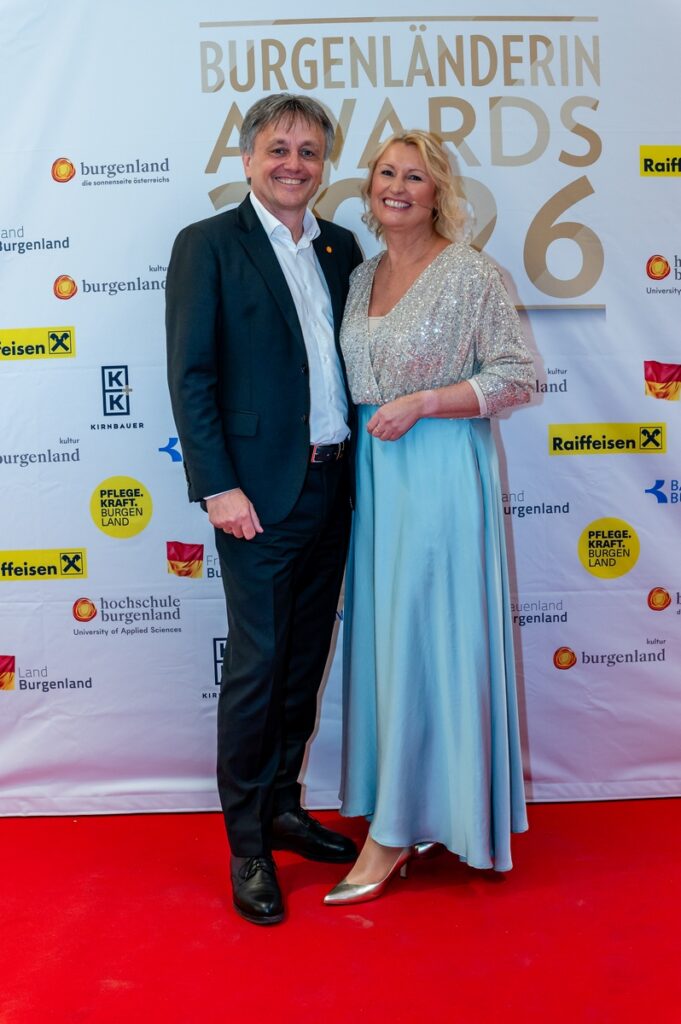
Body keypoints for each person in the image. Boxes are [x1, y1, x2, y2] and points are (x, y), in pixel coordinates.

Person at [166, 94, 363, 926]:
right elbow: (192, 376)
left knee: (303, 660)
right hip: (254, 498)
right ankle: (247, 843)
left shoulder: (340, 246)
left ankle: (282, 807)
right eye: (278, 149)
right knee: (257, 666)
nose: (293, 164)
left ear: (324, 164)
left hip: (333, 485)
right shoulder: (208, 244)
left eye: (309, 151)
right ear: (247, 159)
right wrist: (218, 487)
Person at [324, 130, 533, 906]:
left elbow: (516, 377)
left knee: (432, 635)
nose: (398, 187)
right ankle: (407, 808)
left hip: (442, 473)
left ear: (438, 191)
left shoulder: (470, 272)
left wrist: (425, 402)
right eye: (386, 173)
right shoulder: (361, 273)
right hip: (377, 481)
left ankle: (398, 832)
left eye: (415, 176)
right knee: (393, 643)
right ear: (368, 187)